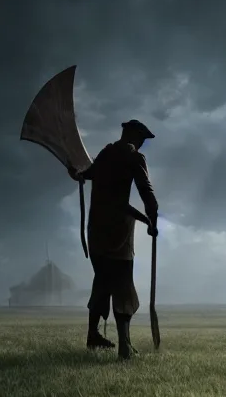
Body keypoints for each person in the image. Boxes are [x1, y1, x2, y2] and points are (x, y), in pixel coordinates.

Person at [68, 119, 159, 360]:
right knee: (122, 287)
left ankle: (93, 334)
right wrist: (152, 216)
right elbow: (146, 191)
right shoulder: (133, 158)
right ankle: (125, 346)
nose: (141, 144)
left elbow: (87, 173)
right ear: (133, 135)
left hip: (96, 233)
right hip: (118, 234)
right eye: (141, 139)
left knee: (102, 281)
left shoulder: (106, 153)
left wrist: (76, 172)